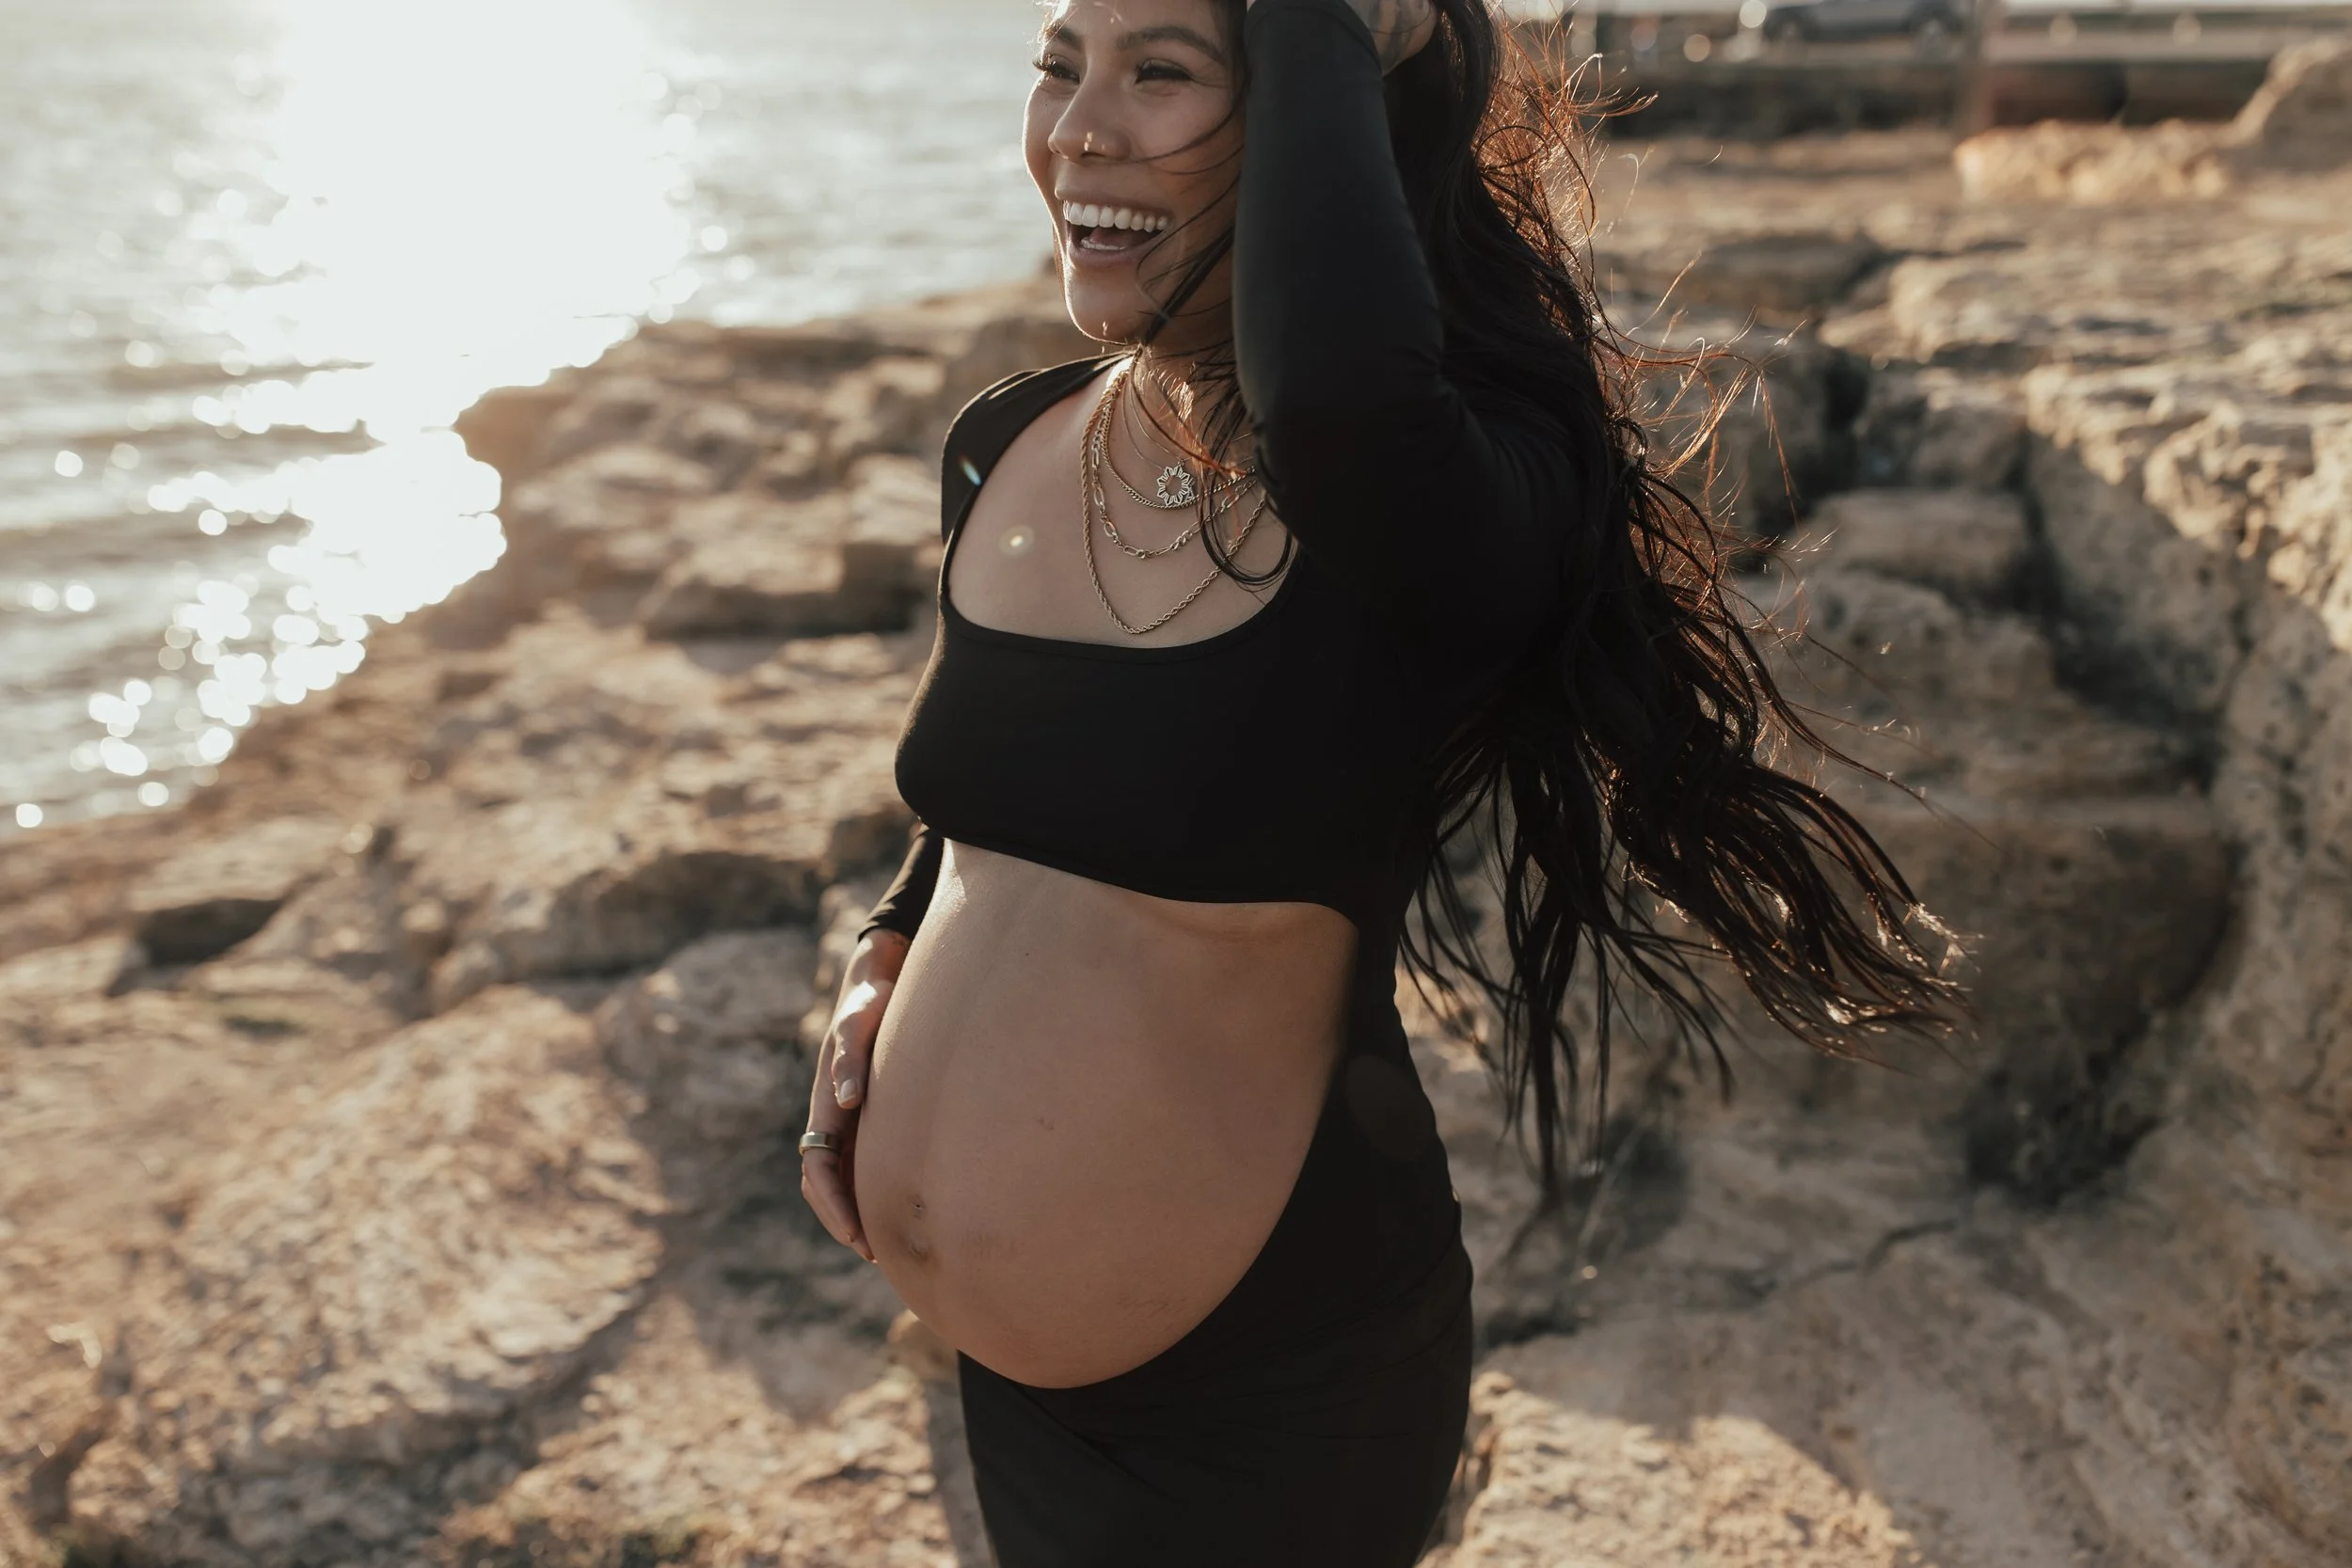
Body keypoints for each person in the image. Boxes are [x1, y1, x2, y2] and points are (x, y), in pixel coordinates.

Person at [798, 0, 1958, 1560]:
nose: (1078, 124)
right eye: (1059, 62)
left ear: (1315, 116)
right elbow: (995, 791)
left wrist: (1333, 22)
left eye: (1161, 71)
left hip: (1274, 1404)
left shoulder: (1438, 500)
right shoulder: (1008, 438)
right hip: (1008, 1389)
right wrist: (889, 944)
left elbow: (1336, 399)